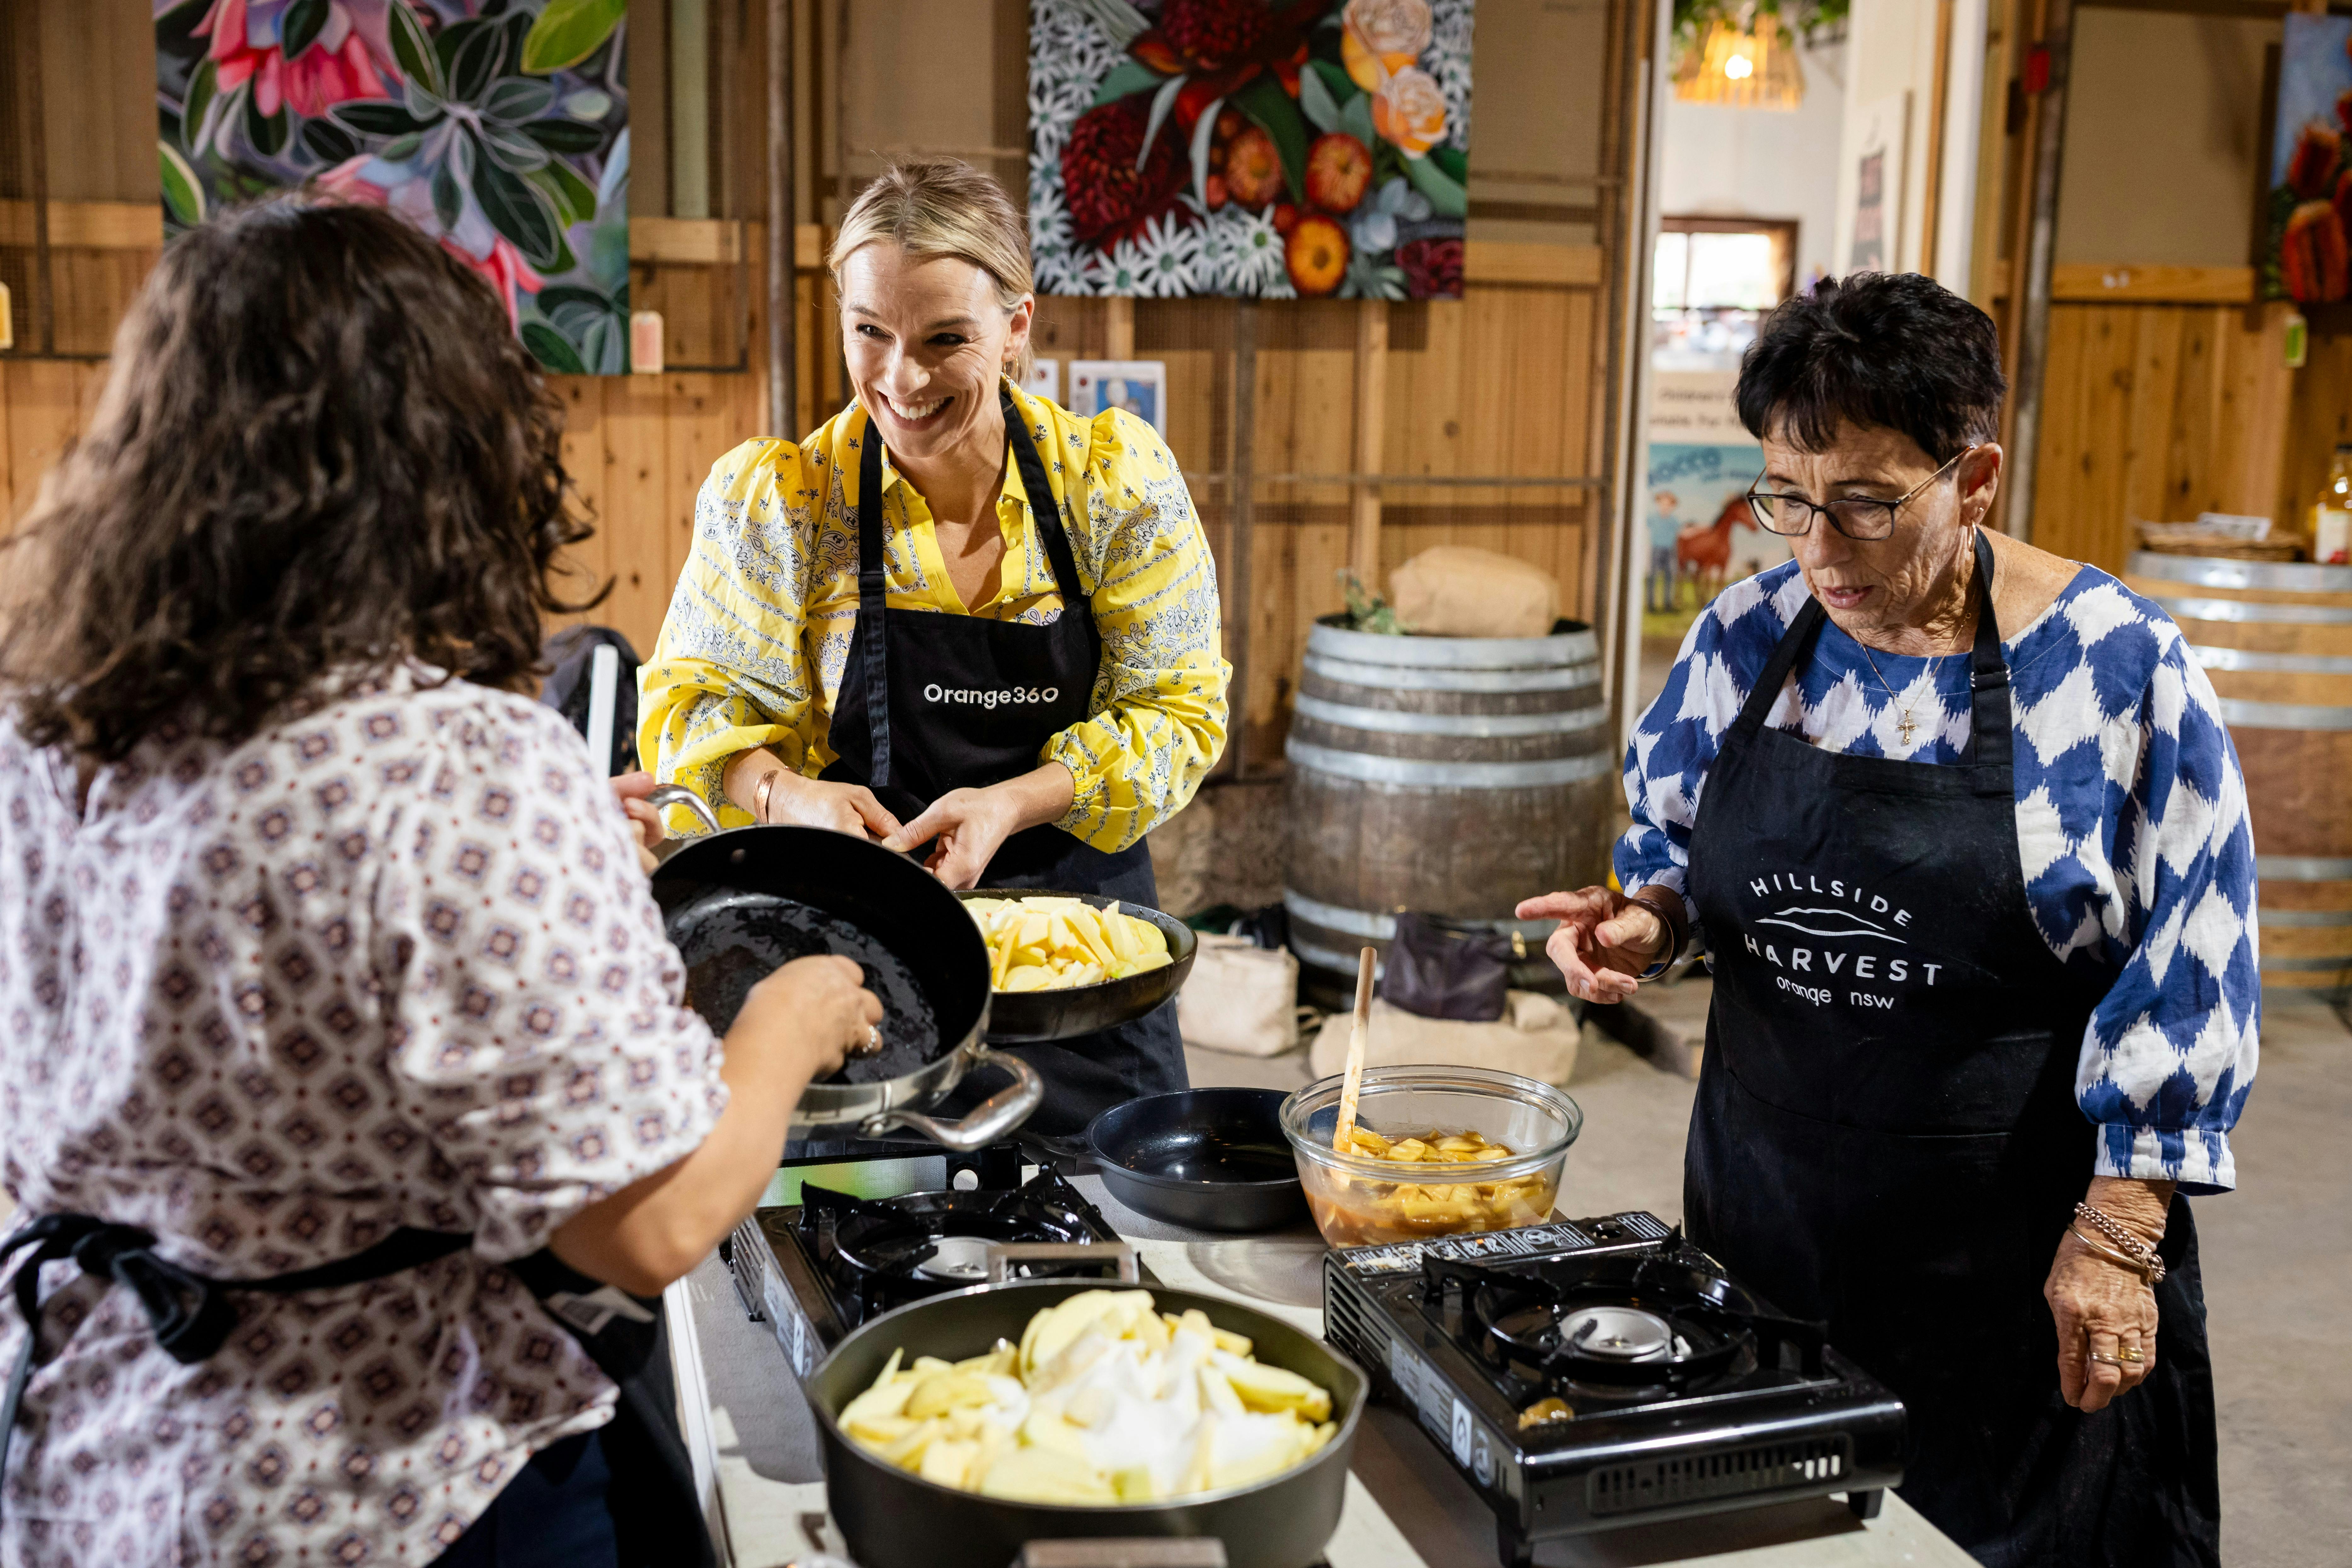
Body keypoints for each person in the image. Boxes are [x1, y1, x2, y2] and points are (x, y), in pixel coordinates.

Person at [0, 199, 881, 1566]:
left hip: (95, 1455)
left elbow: (228, 905)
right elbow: (645, 1223)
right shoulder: (457, 769)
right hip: (387, 1487)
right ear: (454, 458)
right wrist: (783, 1026)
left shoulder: (38, 723)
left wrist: (536, 844)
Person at [1521, 273, 2246, 1566]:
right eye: (1787, 498)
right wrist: (1645, 923)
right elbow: (1679, 857)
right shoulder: (1749, 637)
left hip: (2015, 1269)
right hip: (1766, 1232)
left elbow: (2191, 965)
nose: (1817, 546)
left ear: (1972, 480)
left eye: (1864, 502)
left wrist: (2120, 1240)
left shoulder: (2111, 663)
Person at [638, 158, 1230, 1135]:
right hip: (858, 968)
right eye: (869, 333)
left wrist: (1012, 802)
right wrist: (786, 796)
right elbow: (687, 716)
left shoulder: (1110, 485)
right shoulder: (786, 503)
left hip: (1078, 964)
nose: (901, 379)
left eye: (945, 338)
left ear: (1016, 329)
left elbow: (1178, 712)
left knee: (1107, 1248)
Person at [1645, 488, 1681, 613]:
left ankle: (1668, 605)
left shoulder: (1674, 521)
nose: (1666, 507)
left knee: (1669, 578)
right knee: (1653, 577)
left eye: (1669, 505)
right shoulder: (1652, 518)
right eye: (1663, 504)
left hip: (1670, 551)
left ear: (1672, 506)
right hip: (1656, 550)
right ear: (1658, 504)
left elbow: (1683, 532)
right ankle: (1651, 605)